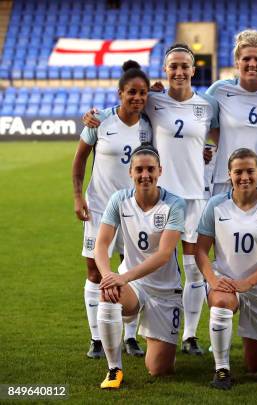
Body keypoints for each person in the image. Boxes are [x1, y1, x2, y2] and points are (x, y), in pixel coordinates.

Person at [83, 44, 219, 355]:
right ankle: (131, 334)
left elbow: (214, 139)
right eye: (174, 66)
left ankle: (189, 335)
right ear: (166, 69)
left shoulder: (207, 105)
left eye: (185, 66)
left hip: (195, 196)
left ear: (193, 69)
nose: (179, 72)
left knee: (194, 269)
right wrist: (94, 116)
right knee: (141, 264)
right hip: (159, 199)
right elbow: (122, 109)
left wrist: (207, 152)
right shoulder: (154, 99)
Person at [72, 60, 152, 359]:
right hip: (99, 209)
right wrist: (78, 196)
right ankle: (96, 338)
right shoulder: (100, 121)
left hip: (134, 211)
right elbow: (79, 160)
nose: (137, 98)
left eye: (143, 93)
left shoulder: (149, 125)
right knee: (94, 271)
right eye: (132, 92)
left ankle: (130, 337)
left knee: (130, 271)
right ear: (120, 93)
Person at [94, 143, 185, 389]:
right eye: (139, 169)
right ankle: (114, 369)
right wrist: (109, 276)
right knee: (108, 293)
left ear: (160, 171)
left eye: (150, 169)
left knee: (159, 370)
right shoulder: (119, 200)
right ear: (131, 173)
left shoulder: (175, 204)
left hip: (165, 290)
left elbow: (164, 255)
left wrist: (122, 277)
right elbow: (101, 245)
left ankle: (153, 335)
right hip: (132, 284)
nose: (145, 175)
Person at [195, 148, 257, 390]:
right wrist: (213, 280)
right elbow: (201, 250)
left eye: (250, 171)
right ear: (229, 174)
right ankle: (222, 369)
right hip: (225, 283)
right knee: (222, 303)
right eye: (238, 172)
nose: (244, 177)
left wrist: (250, 283)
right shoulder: (216, 205)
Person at [206, 29, 257, 196]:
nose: (252, 64)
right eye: (246, 58)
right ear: (236, 62)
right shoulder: (219, 90)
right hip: (225, 182)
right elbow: (195, 116)